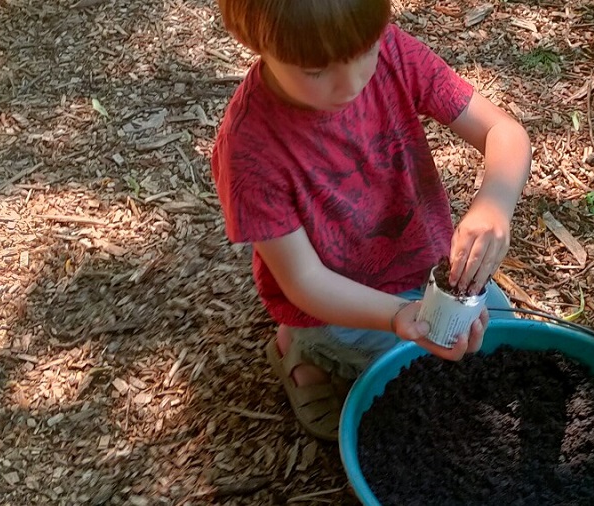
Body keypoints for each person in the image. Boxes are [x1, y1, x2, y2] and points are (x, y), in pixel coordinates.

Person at [210, 0, 533, 441]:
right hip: (331, 300)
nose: (351, 83)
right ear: (256, 43)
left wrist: (494, 204)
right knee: (419, 372)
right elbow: (304, 282)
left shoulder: (393, 53)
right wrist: (398, 314)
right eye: (316, 70)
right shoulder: (249, 150)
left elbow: (504, 132)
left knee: (499, 333)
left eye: (364, 51)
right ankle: (301, 354)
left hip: (425, 269)